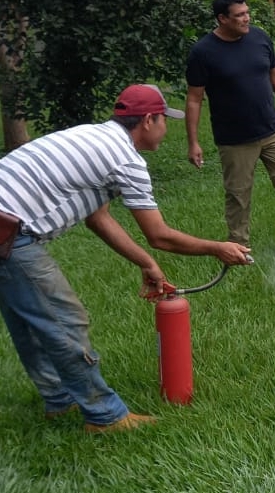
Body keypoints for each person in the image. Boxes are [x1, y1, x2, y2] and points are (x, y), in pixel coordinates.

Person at [0, 84, 252, 434]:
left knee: (29, 322)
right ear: (148, 120)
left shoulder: (96, 138)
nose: (167, 128)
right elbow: (159, 234)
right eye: (165, 119)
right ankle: (104, 416)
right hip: (10, 234)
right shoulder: (125, 159)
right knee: (64, 320)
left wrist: (146, 264)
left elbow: (98, 218)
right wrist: (217, 247)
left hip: (7, 228)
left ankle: (59, 400)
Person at [185, 0, 275, 254]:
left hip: (272, 129)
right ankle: (239, 247)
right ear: (222, 19)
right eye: (239, 15)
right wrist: (193, 142)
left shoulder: (259, 37)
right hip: (235, 138)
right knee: (238, 194)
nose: (246, 19)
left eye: (247, 13)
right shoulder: (203, 52)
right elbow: (194, 99)